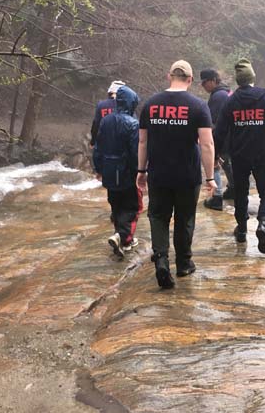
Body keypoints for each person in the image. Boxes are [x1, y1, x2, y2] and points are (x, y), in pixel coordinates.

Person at [137, 60, 216, 288]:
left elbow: (143, 141)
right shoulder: (199, 106)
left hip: (159, 174)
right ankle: (183, 264)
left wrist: (141, 171)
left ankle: (161, 260)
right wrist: (210, 177)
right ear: (190, 80)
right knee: (184, 218)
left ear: (168, 76)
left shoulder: (150, 105)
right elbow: (207, 144)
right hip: (187, 175)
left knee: (158, 217)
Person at [214, 58, 265, 254]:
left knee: (241, 193)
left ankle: (241, 230)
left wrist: (215, 154)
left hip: (239, 156)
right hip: (262, 154)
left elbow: (220, 131)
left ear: (238, 80)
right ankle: (263, 223)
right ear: (252, 77)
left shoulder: (231, 102)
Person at [95, 85, 142, 258]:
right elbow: (135, 152)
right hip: (126, 172)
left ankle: (119, 236)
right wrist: (140, 172)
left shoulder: (105, 121)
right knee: (131, 207)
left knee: (116, 205)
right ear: (131, 103)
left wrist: (98, 168)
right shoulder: (133, 124)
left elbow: (98, 148)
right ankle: (124, 238)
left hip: (108, 170)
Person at [200, 68, 234, 210]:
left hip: (223, 137)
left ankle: (217, 197)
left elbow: (213, 122)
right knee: (227, 164)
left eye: (205, 82)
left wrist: (209, 141)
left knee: (214, 163)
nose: (203, 85)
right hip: (231, 136)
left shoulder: (218, 96)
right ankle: (234, 189)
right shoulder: (225, 92)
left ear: (213, 80)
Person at [90, 79, 125, 175]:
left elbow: (96, 124)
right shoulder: (126, 105)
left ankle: (100, 174)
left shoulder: (101, 105)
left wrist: (93, 141)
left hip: (105, 142)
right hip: (122, 144)